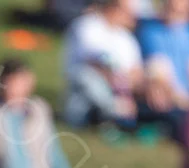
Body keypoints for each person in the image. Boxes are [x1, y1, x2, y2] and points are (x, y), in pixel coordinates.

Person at [61, 0, 145, 131]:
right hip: (85, 84)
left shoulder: (127, 38)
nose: (132, 17)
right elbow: (91, 59)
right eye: (128, 12)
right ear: (114, 8)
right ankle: (115, 113)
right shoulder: (87, 24)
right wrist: (115, 78)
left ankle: (119, 115)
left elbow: (136, 72)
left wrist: (123, 85)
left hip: (119, 89)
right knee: (87, 77)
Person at [136, 0, 189, 135]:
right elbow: (160, 76)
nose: (174, 15)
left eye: (180, 12)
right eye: (172, 9)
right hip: (169, 101)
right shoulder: (151, 32)